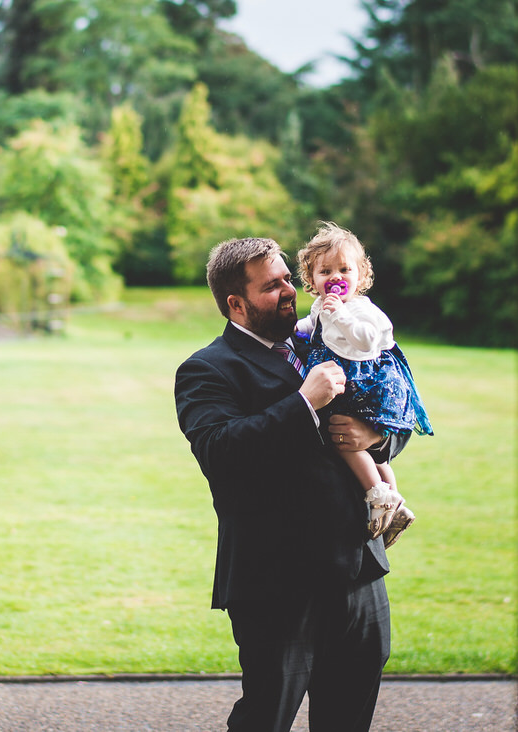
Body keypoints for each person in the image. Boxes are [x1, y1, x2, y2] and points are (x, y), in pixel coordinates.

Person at [174, 236, 408, 732]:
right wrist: (304, 402)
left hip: (358, 570)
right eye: (271, 286)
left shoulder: (330, 333)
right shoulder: (207, 369)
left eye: (286, 279)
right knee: (266, 717)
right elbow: (221, 451)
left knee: (348, 717)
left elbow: (393, 406)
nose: (288, 291)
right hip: (277, 582)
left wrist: (377, 435)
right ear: (236, 304)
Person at [295, 222, 433, 549]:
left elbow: (367, 340)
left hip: (365, 380)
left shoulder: (361, 308)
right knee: (355, 440)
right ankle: (394, 501)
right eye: (325, 271)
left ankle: (380, 495)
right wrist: (297, 330)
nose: (336, 277)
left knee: (343, 437)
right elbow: (311, 325)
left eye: (345, 269)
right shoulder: (321, 306)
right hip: (348, 378)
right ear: (311, 279)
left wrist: (340, 314)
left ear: (361, 274)